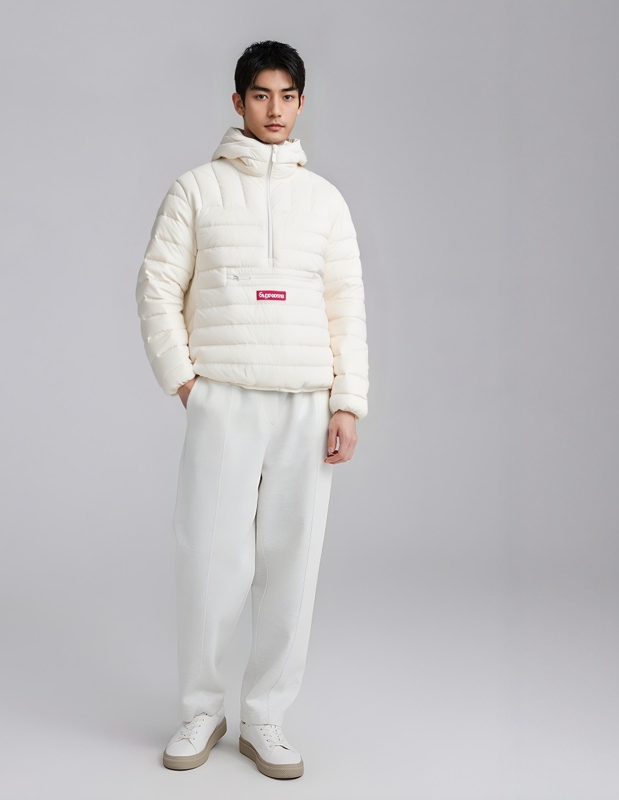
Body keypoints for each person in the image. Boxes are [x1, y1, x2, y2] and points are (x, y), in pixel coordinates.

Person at [134, 39, 369, 780]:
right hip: (225, 400)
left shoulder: (325, 200)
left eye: (287, 96)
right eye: (261, 95)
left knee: (292, 566)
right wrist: (187, 384)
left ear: (301, 103)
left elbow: (346, 308)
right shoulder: (196, 190)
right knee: (211, 561)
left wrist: (347, 403)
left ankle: (265, 717)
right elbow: (155, 288)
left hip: (305, 403)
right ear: (237, 101)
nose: (274, 110)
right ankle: (201, 710)